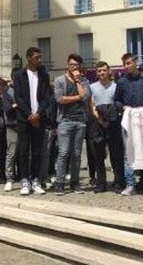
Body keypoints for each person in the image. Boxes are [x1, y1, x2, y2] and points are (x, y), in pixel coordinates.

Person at [114, 53, 143, 196]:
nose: (126, 66)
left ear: (135, 62)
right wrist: (123, 107)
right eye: (124, 64)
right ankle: (130, 184)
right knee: (128, 153)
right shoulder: (121, 82)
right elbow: (117, 100)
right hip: (128, 121)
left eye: (128, 63)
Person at [13, 47, 52, 195]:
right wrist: (29, 114)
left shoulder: (44, 75)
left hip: (39, 118)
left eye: (40, 57)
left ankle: (35, 179)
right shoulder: (19, 75)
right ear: (29, 58)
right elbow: (19, 98)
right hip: (24, 119)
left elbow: (47, 97)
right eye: (36, 57)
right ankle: (24, 180)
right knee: (23, 150)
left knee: (37, 151)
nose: (39, 60)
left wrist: (38, 114)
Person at [53, 54, 92, 195]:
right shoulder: (59, 80)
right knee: (63, 153)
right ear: (67, 65)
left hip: (80, 121)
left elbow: (86, 97)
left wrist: (77, 81)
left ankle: (75, 183)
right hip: (65, 120)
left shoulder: (84, 81)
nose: (74, 67)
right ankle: (60, 183)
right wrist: (77, 97)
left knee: (76, 154)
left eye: (76, 65)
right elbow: (59, 99)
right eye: (71, 64)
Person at [89, 61, 124, 193]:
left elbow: (118, 104)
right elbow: (91, 106)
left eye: (104, 70)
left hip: (113, 123)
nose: (102, 73)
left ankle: (118, 182)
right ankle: (101, 183)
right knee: (98, 155)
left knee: (116, 155)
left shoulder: (116, 87)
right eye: (99, 71)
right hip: (98, 124)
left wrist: (110, 120)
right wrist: (100, 120)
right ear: (97, 73)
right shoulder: (92, 87)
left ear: (109, 71)